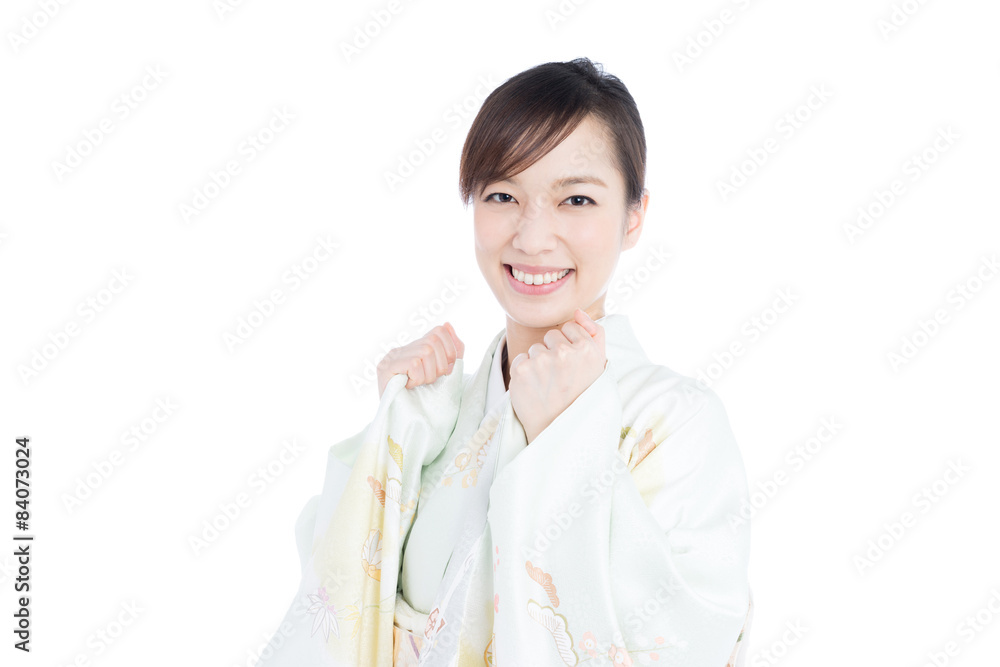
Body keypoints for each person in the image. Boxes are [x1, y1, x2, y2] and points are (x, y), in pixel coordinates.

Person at [256, 57, 753, 667]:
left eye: (576, 199)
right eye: (502, 195)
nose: (532, 237)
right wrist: (395, 434)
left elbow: (686, 643)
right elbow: (334, 606)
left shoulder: (677, 423)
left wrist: (561, 440)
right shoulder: (444, 417)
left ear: (634, 217)